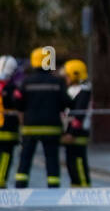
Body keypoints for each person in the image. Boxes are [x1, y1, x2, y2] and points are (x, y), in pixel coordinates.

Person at [14, 48, 68, 188]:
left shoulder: (26, 82)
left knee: (25, 158)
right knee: (51, 159)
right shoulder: (57, 82)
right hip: (52, 127)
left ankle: (20, 184)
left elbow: (18, 102)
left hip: (30, 127)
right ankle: (53, 186)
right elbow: (66, 102)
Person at [63, 59, 92, 187]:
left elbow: (79, 114)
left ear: (75, 75)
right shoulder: (73, 90)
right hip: (70, 132)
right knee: (71, 162)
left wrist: (72, 133)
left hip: (78, 133)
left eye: (67, 75)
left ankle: (84, 186)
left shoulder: (84, 91)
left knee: (78, 161)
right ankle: (75, 186)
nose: (66, 78)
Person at [0, 56, 19, 187]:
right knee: (6, 155)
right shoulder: (12, 88)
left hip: (6, 126)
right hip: (7, 128)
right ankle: (1, 180)